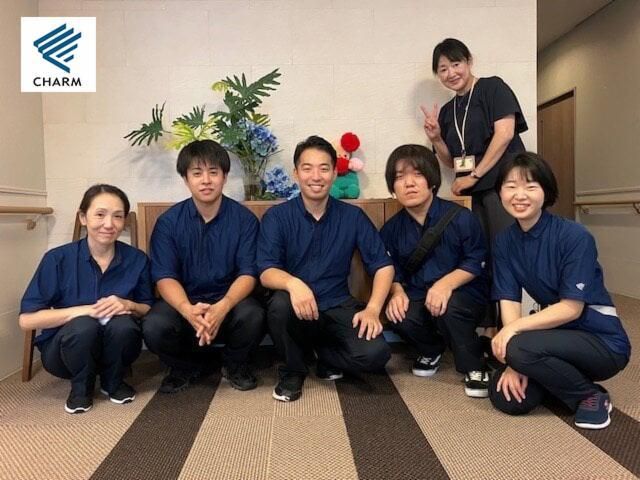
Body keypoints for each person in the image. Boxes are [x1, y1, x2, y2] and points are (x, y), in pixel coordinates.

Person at [489, 152, 630, 429]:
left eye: (530, 186)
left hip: (601, 342)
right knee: (507, 398)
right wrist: (513, 359)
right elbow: (508, 298)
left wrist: (512, 338)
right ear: (500, 192)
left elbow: (571, 308)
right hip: (554, 337)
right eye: (511, 186)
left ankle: (590, 395)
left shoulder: (574, 236)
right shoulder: (504, 241)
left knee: (518, 348)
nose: (519, 195)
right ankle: (556, 378)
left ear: (546, 191)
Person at [258, 135, 394, 402]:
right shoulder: (277, 217)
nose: (316, 176)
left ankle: (324, 355)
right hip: (296, 307)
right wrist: (294, 284)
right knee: (279, 305)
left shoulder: (352, 216)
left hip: (337, 304)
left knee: (376, 355)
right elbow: (266, 271)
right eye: (307, 168)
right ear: (296, 174)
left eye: (324, 168)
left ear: (334, 173)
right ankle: (293, 370)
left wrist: (373, 309)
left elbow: (383, 266)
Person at [142, 140, 265, 394]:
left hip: (229, 302)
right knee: (154, 325)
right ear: (186, 180)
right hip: (185, 304)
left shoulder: (244, 221)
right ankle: (184, 367)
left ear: (224, 177)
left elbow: (248, 273)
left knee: (253, 314)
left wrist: (223, 306)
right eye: (197, 173)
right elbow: (164, 276)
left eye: (213, 172)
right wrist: (187, 309)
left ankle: (235, 365)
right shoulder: (168, 223)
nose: (206, 180)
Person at [19, 184, 154, 414]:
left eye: (117, 216)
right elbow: (27, 320)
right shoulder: (57, 259)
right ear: (83, 217)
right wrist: (85, 310)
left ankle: (113, 382)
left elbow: (148, 307)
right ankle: (80, 389)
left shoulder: (137, 259)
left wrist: (129, 305)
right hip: (65, 353)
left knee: (123, 324)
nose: (109, 224)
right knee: (84, 325)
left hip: (117, 350)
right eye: (100, 214)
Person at [422, 38, 528, 329]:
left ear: (469, 61)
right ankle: (488, 326)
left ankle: (511, 329)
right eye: (443, 69)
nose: (451, 73)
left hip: (501, 186)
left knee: (505, 255)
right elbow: (449, 161)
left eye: (455, 64)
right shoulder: (447, 111)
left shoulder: (493, 87)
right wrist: (436, 138)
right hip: (470, 193)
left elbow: (505, 134)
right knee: (479, 257)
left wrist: (476, 174)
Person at [381, 145, 491, 398]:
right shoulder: (391, 229)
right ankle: (432, 349)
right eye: (399, 177)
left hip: (464, 294)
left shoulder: (461, 218)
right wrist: (396, 292)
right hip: (419, 293)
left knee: (450, 306)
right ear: (393, 186)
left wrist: (446, 285)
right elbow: (390, 268)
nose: (409, 183)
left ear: (431, 180)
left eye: (418, 174)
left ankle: (475, 366)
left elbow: (476, 260)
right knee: (397, 314)